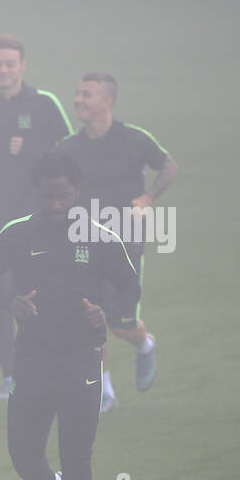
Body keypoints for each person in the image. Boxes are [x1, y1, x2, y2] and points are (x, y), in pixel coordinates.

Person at [0, 151, 140, 480]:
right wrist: (8, 301)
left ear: (78, 192)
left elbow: (129, 286)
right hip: (30, 360)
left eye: (64, 196)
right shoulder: (18, 234)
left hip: (81, 360)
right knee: (22, 455)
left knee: (77, 455)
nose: (56, 205)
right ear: (39, 193)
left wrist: (107, 313)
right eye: (49, 197)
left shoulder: (101, 237)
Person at [0, 35, 73, 399]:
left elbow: (69, 149)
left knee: (46, 290)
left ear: (22, 65)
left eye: (10, 64)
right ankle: (10, 376)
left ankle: (54, 368)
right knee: (0, 293)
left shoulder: (44, 103)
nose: (3, 70)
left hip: (42, 214)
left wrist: (33, 149)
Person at [59, 73, 178, 411]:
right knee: (88, 317)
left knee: (120, 324)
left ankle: (144, 344)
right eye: (78, 93)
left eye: (87, 94)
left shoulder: (134, 139)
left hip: (124, 243)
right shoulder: (68, 148)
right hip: (82, 242)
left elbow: (168, 166)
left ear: (108, 101)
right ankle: (104, 392)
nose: (79, 99)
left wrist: (148, 198)